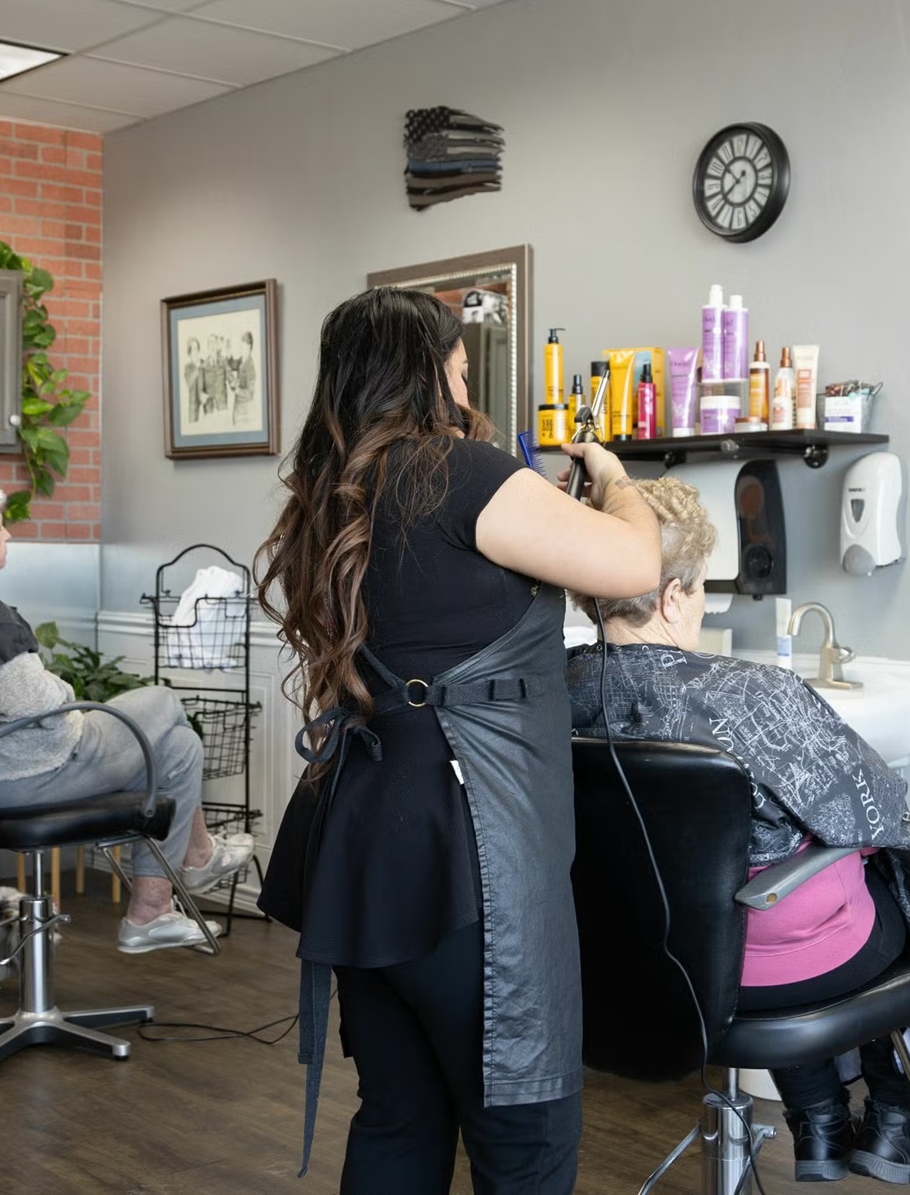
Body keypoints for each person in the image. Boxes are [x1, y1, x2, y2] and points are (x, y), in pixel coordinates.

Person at [256, 285, 660, 1193]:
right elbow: (638, 565)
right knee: (524, 1139)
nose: (465, 383)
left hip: (358, 840)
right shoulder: (461, 472)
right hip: (465, 850)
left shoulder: (331, 489)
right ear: (432, 368)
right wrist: (615, 481)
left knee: (400, 1117)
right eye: (461, 365)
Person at [566, 477, 910, 1189]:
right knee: (895, 873)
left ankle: (823, 1120)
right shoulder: (753, 695)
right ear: (670, 597)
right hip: (755, 971)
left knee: (792, 886)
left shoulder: (550, 691)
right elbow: (872, 802)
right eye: (697, 590)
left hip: (620, 966)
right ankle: (892, 1121)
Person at [0, 475, 254, 950]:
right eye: (0, 528)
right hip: (36, 771)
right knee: (163, 700)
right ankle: (185, 873)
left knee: (180, 746)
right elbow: (45, 712)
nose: (8, 535)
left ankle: (156, 907)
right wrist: (59, 683)